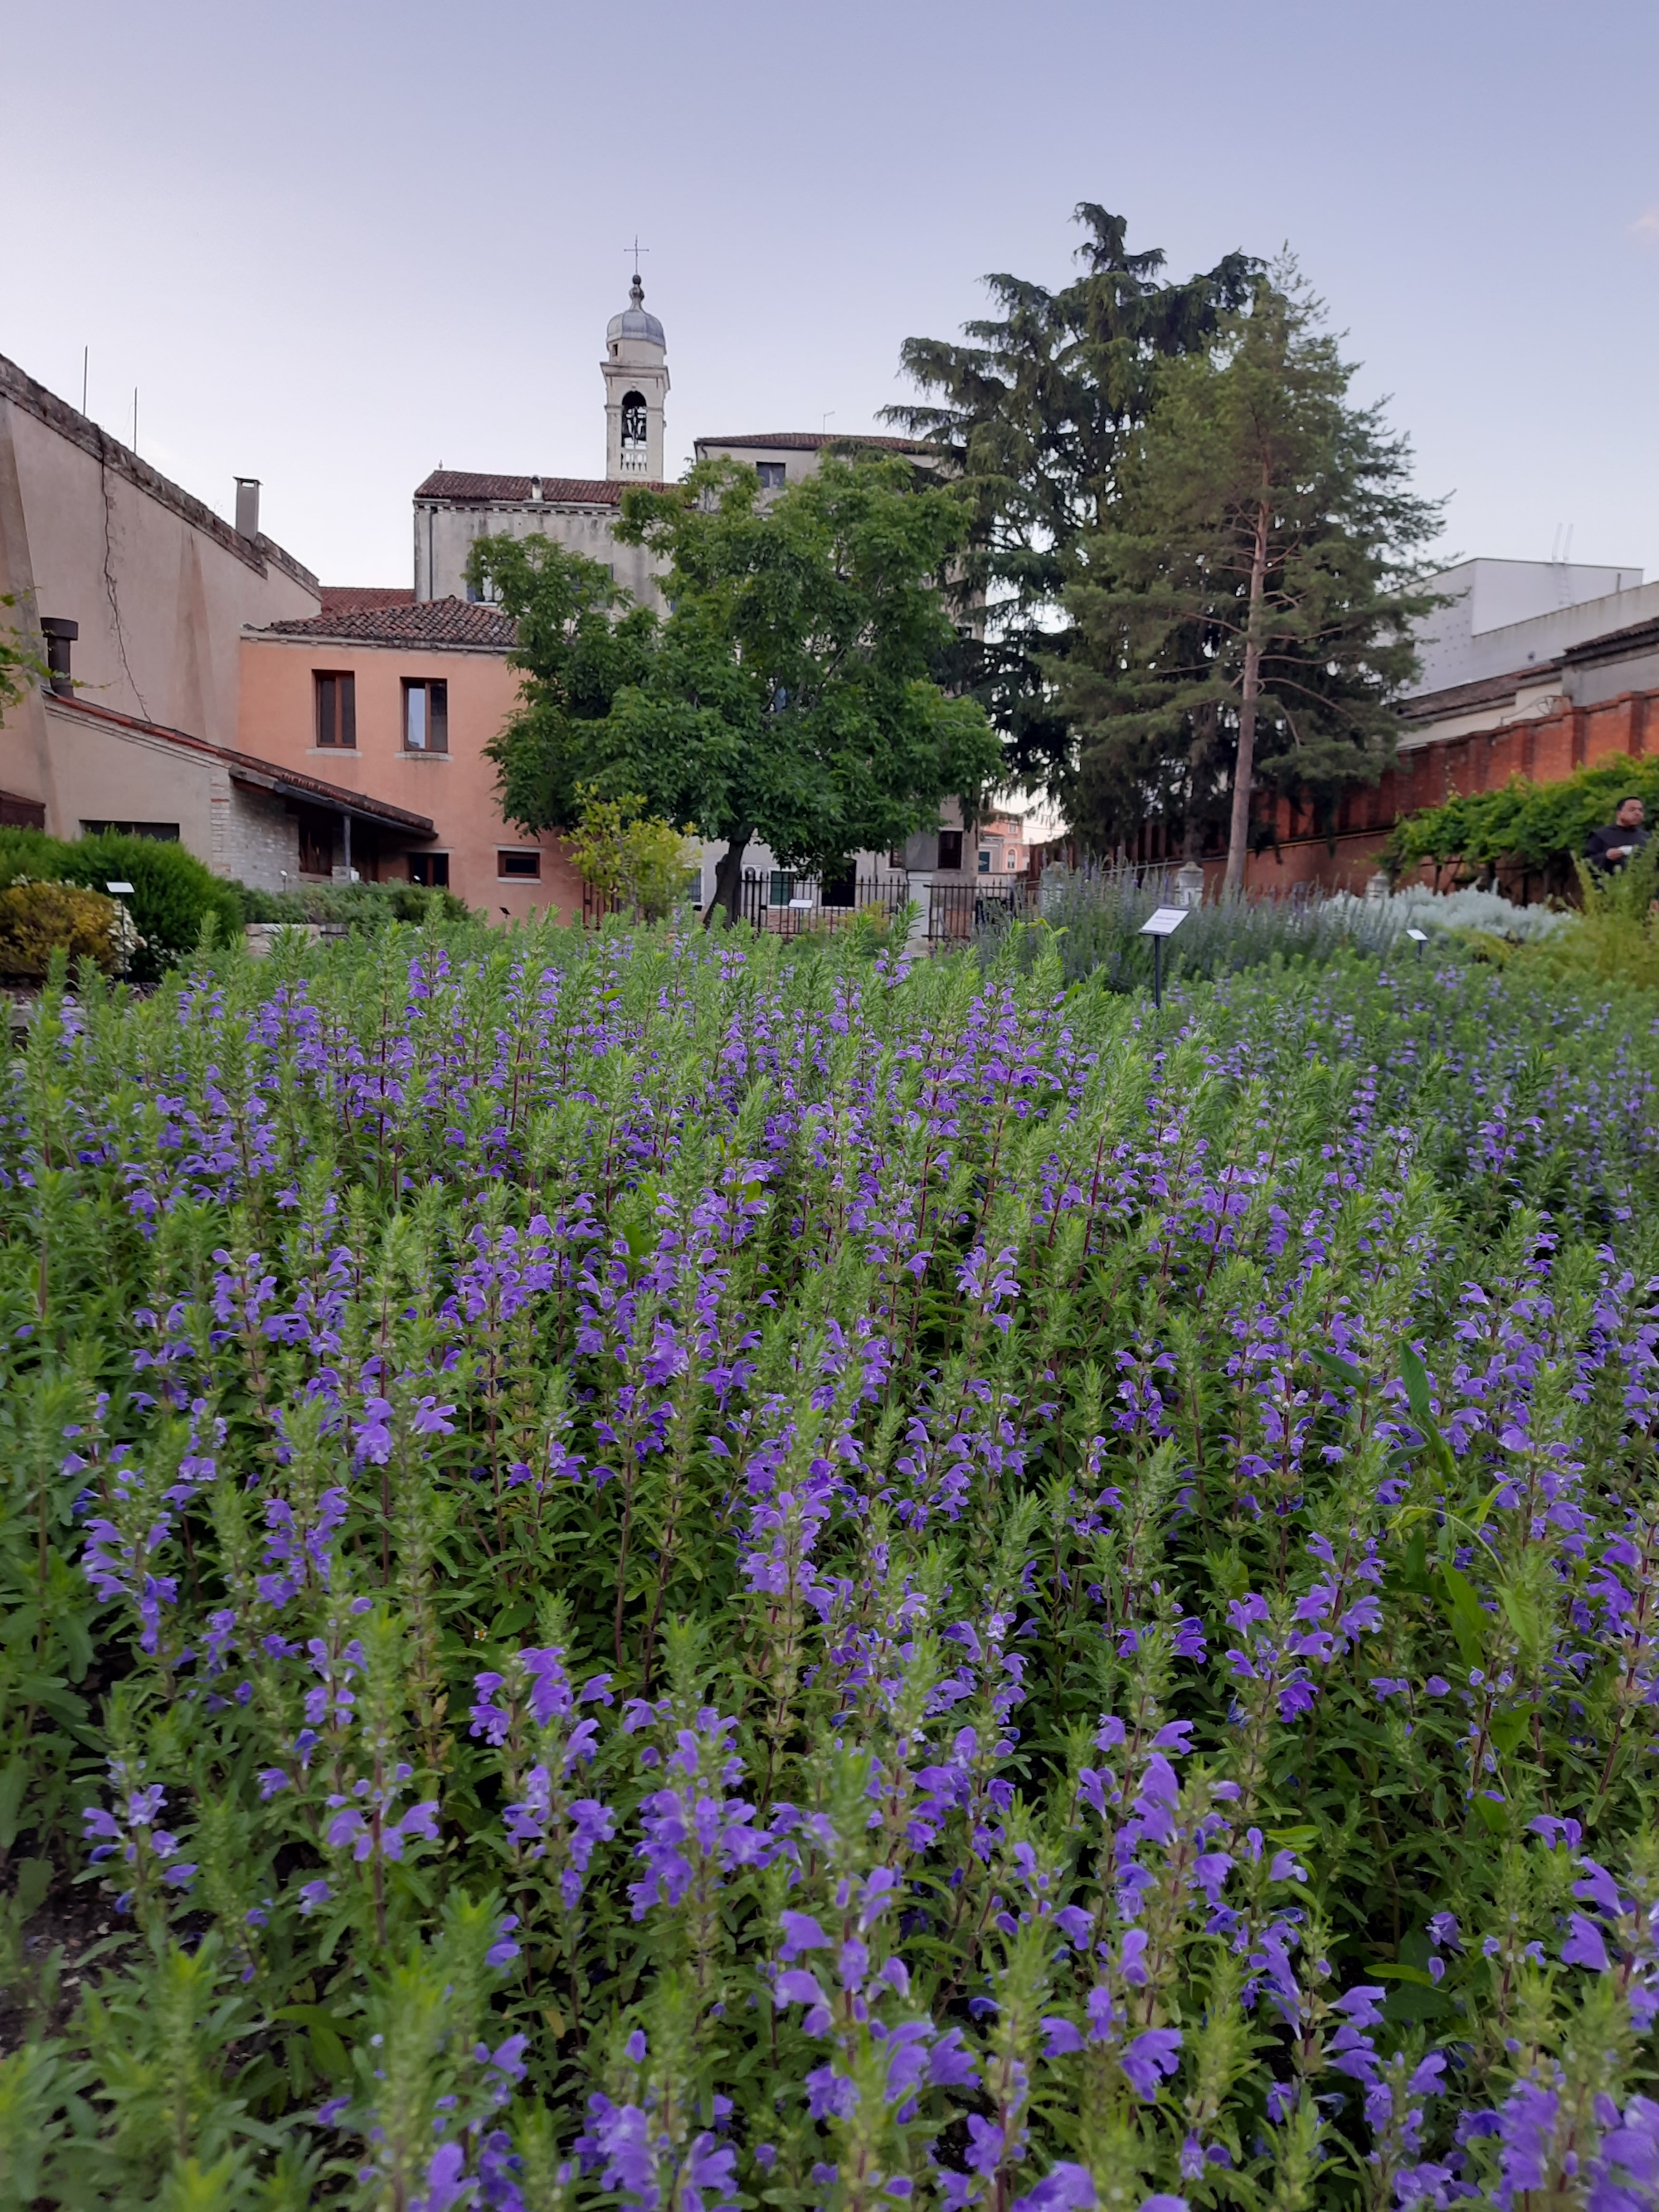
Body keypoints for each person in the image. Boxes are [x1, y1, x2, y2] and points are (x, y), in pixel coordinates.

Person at [1586, 795, 1649, 870]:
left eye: (1640, 810)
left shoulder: (1647, 837)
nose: (1637, 813)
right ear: (1619, 814)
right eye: (1632, 810)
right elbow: (1587, 862)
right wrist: (1606, 857)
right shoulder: (1601, 835)